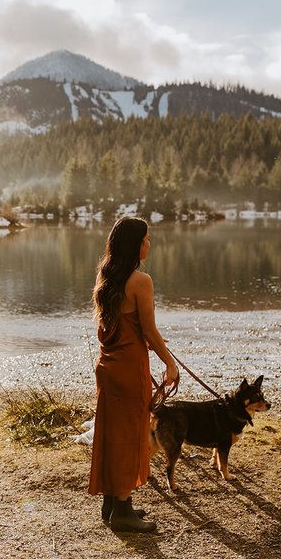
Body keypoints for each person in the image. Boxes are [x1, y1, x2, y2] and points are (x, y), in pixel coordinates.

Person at [87, 217, 178, 532]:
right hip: (129, 369)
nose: (149, 244)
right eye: (147, 239)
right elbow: (149, 330)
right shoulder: (141, 281)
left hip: (109, 367)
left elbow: (119, 328)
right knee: (128, 436)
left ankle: (113, 503)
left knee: (113, 433)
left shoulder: (106, 277)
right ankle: (123, 512)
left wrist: (147, 340)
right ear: (135, 245)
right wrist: (170, 363)